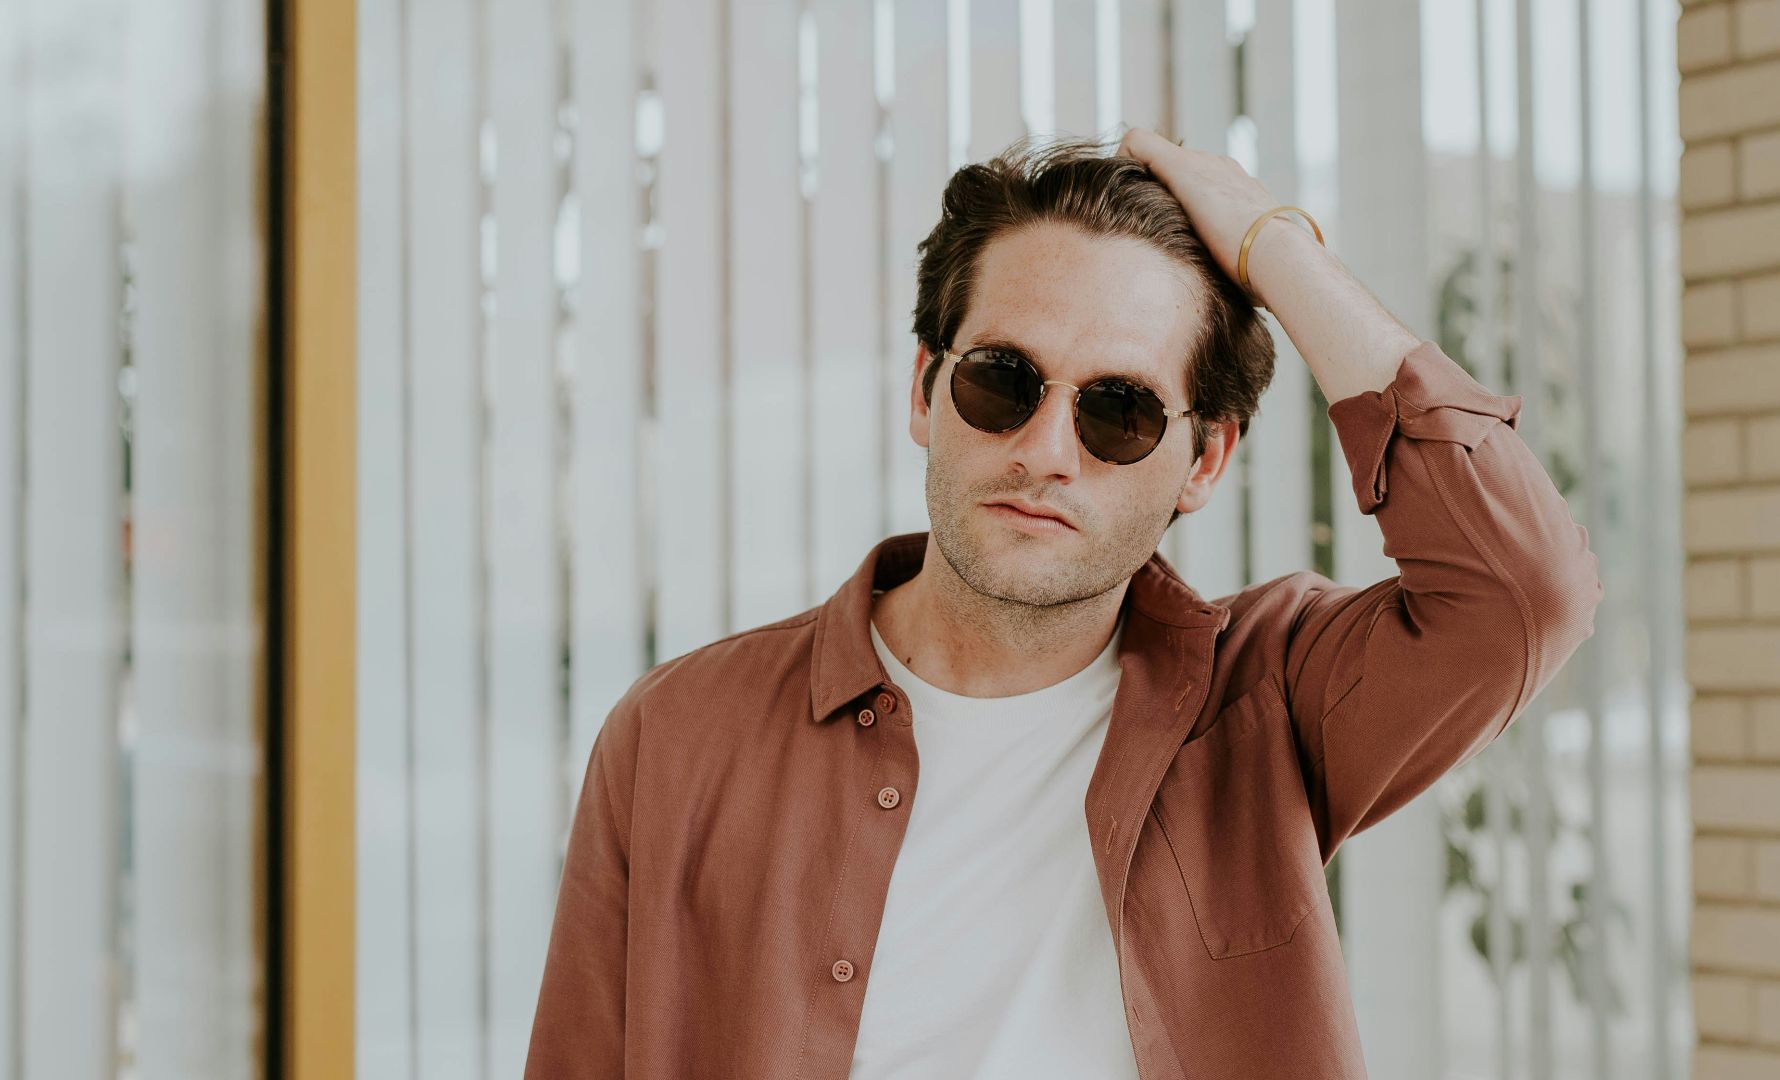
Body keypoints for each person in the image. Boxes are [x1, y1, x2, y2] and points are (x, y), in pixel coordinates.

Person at [524, 126, 1602, 1079]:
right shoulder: (674, 739)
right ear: (923, 392)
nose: (1045, 454)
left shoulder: (1268, 704)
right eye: (1001, 380)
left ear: (1203, 462)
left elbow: (1521, 592)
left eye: (1120, 412)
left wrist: (1274, 246)